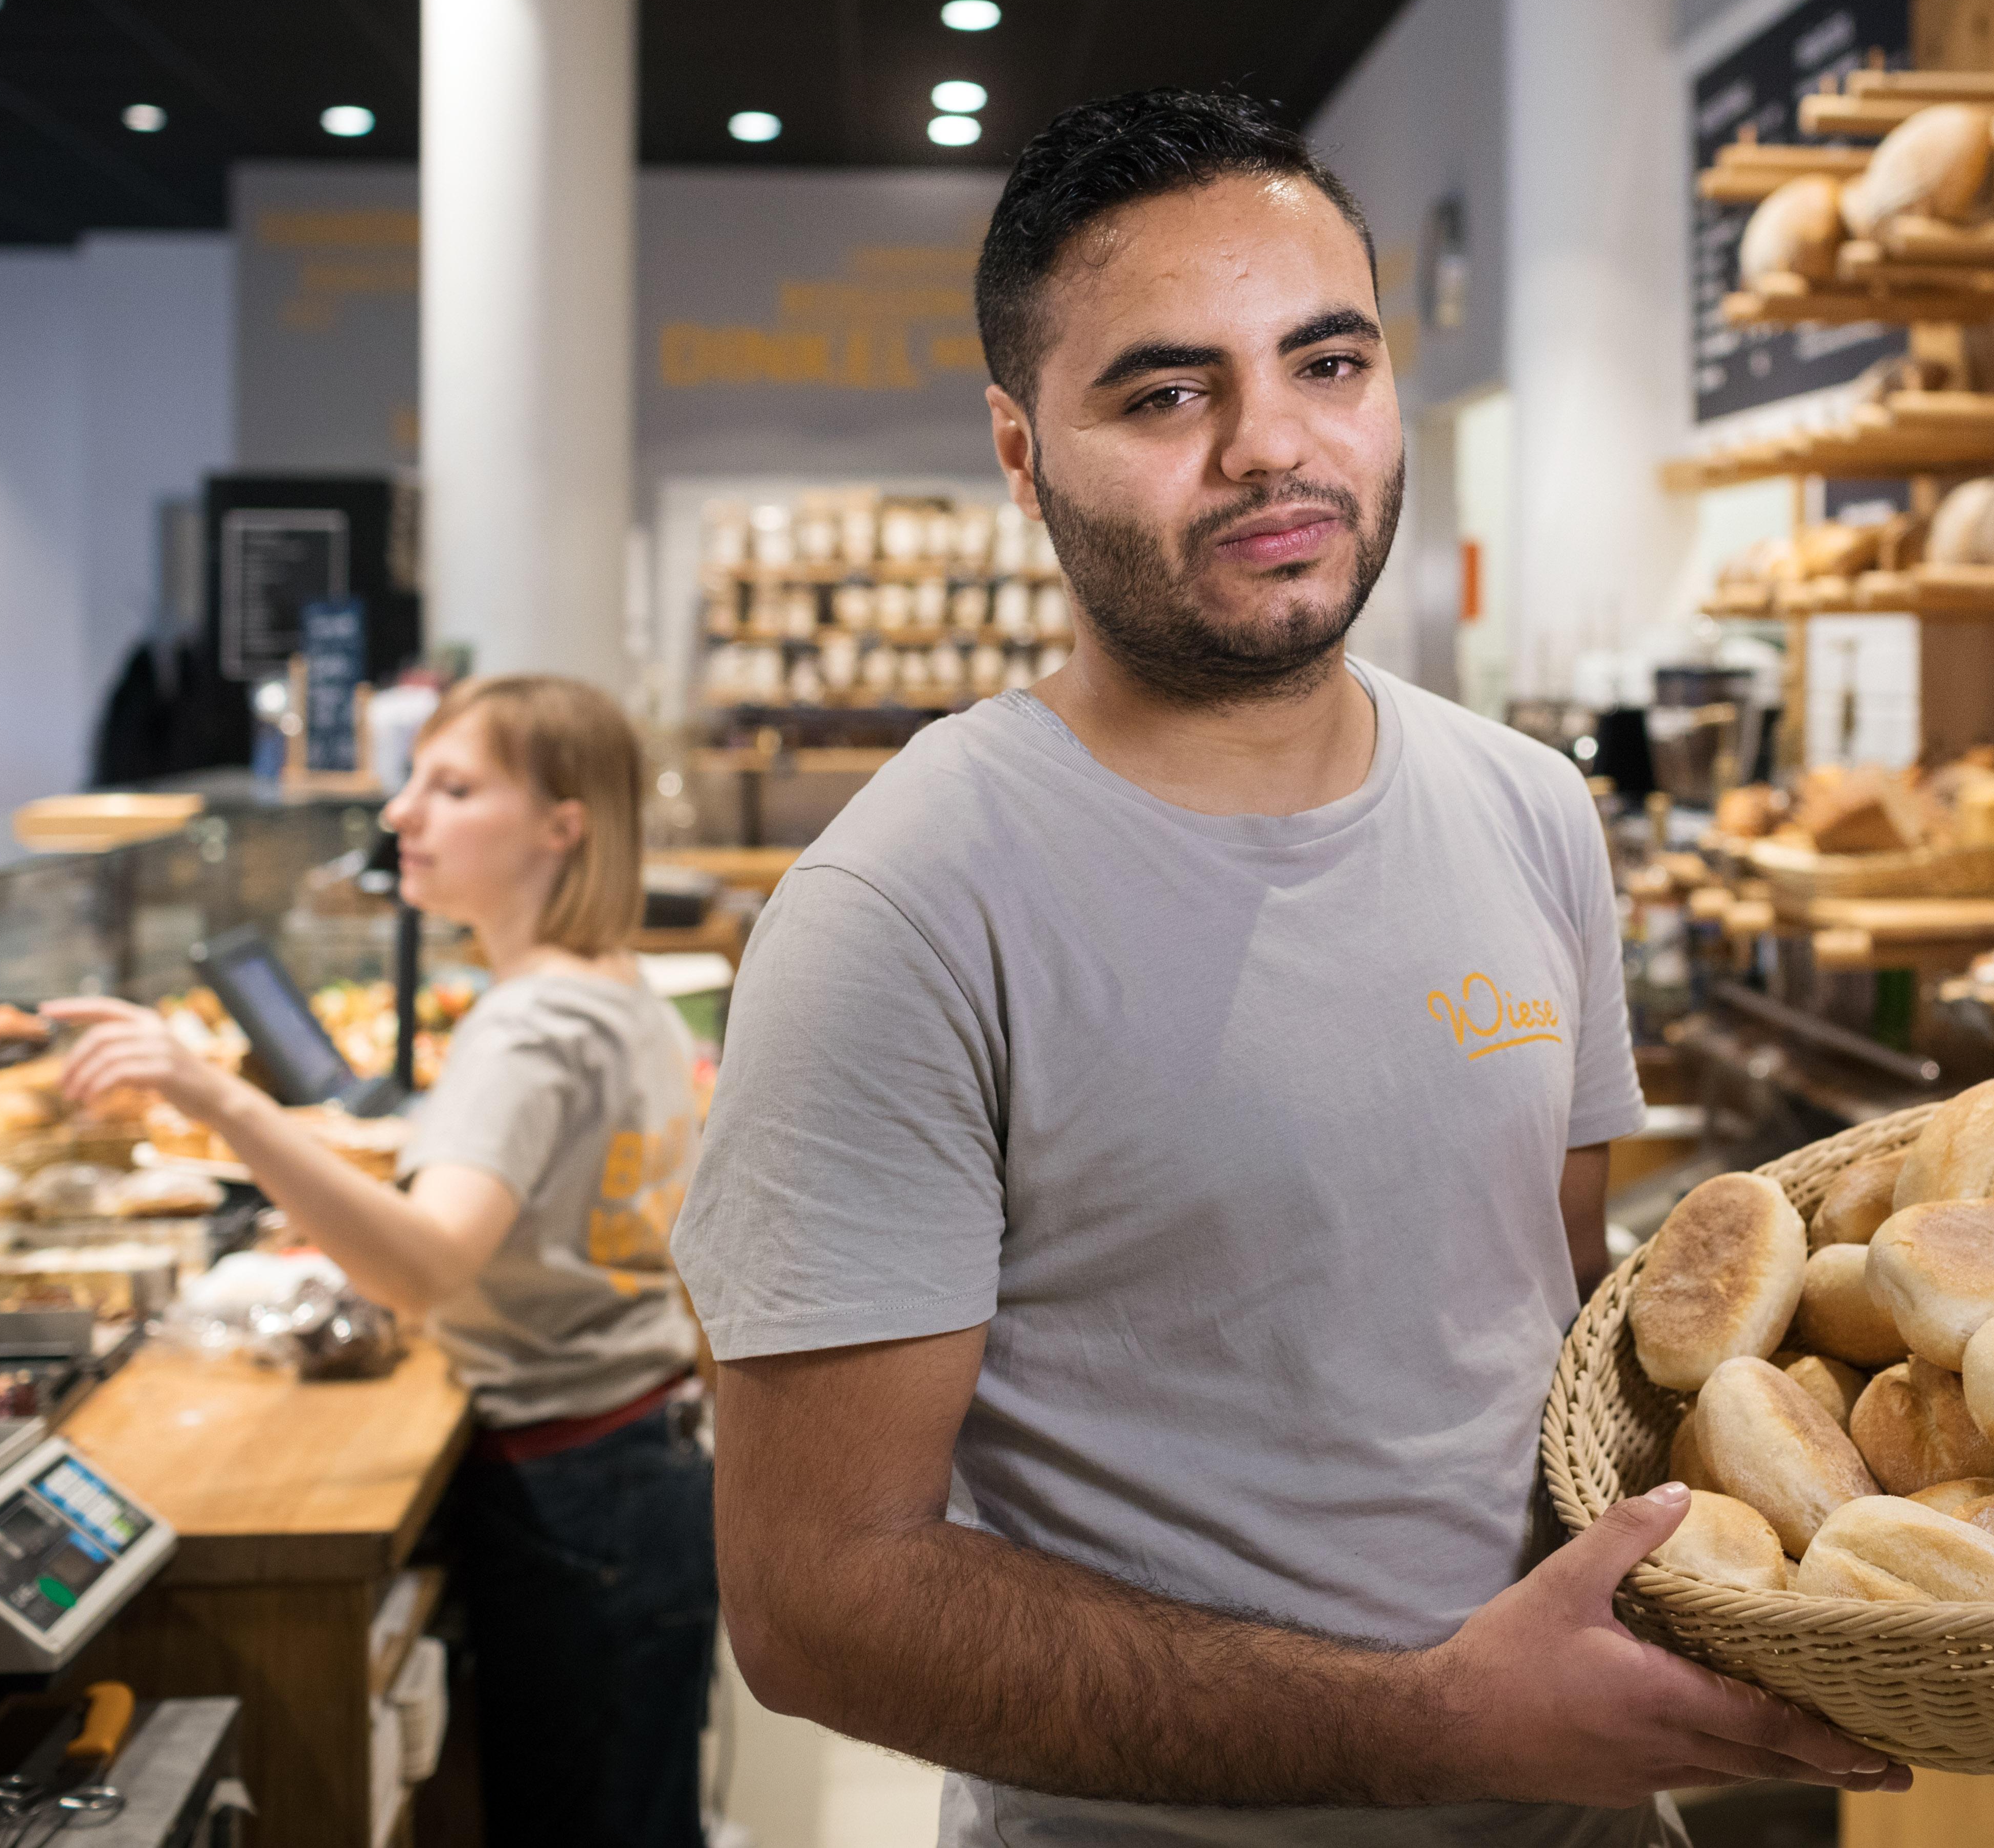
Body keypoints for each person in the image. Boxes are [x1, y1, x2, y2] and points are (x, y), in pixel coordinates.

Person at [673, 89, 1911, 1844]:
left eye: (1327, 363)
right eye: (1169, 393)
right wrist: (1436, 1726)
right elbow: (817, 1604)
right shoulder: (907, 906)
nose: (1273, 444)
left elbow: (1552, 1337)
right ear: (1022, 453)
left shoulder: (1531, 811)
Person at [50, 674, 714, 1848]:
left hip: (574, 1491)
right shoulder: (614, 985)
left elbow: (423, 1267)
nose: (402, 811)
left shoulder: (526, 1024)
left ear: (562, 824)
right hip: (639, 1462)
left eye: (452, 787)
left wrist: (216, 1098)